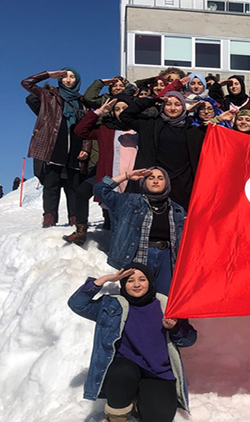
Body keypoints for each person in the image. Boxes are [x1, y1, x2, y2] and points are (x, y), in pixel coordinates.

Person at [67, 263, 197, 422]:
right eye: (130, 280)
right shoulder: (112, 305)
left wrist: (175, 328)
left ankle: (134, 398)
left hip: (157, 371)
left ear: (150, 282)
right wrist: (103, 281)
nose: (136, 284)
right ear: (123, 284)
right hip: (125, 367)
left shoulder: (166, 304)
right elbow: (77, 304)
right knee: (123, 371)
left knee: (159, 418)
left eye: (142, 279)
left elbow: (189, 339)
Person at [93, 167, 185, 295]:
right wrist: (127, 176)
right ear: (143, 182)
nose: (155, 181)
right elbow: (100, 189)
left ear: (167, 182)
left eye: (160, 178)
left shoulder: (177, 209)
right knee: (139, 297)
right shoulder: (129, 201)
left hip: (167, 258)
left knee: (165, 299)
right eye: (151, 178)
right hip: (138, 256)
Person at [22, 68, 90, 227]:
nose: (68, 79)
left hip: (75, 145)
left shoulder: (82, 101)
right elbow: (26, 83)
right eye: (65, 76)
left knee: (74, 185)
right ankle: (49, 216)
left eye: (72, 77)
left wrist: (86, 148)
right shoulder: (49, 95)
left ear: (77, 80)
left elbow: (87, 127)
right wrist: (48, 75)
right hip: (54, 144)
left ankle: (74, 217)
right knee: (51, 182)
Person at [119, 91, 205, 210]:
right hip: (155, 181)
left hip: (183, 184)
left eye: (178, 104)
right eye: (169, 104)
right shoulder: (149, 125)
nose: (173, 108)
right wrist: (152, 101)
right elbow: (125, 116)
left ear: (184, 107)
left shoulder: (192, 130)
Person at [67, 97, 134, 244]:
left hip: (130, 176)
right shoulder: (105, 129)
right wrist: (98, 112)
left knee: (120, 217)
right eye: (117, 109)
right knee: (82, 191)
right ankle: (81, 230)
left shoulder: (138, 128)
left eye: (124, 108)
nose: (121, 112)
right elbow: (80, 130)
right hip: (107, 175)